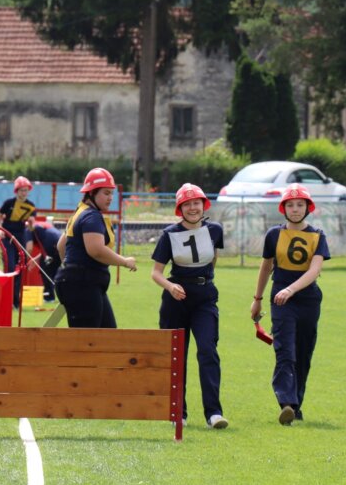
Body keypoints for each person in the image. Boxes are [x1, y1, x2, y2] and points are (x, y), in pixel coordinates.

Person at [250, 184, 330, 426]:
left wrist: (292, 289)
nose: (295, 209)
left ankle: (296, 404)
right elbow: (266, 267)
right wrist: (257, 299)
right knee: (285, 350)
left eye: (300, 205)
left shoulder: (318, 236)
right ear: (283, 208)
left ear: (308, 208)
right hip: (280, 299)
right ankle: (286, 403)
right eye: (290, 205)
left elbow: (315, 270)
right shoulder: (274, 234)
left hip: (307, 300)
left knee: (303, 353)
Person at [151, 184, 227, 429]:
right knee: (176, 355)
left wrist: (203, 282)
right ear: (180, 208)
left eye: (196, 203)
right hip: (176, 298)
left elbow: (212, 259)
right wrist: (171, 287)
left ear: (204, 205)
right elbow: (156, 273)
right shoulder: (169, 234)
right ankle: (178, 412)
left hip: (205, 298)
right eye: (187, 203)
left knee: (208, 350)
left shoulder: (215, 230)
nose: (193, 208)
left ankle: (214, 413)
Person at [55, 168, 136, 328]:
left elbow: (61, 246)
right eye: (106, 193)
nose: (110, 198)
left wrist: (69, 270)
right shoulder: (91, 216)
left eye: (111, 193)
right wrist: (125, 261)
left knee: (108, 336)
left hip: (81, 283)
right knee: (89, 343)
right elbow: (96, 250)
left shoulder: (80, 213)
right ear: (91, 193)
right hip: (83, 284)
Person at [0, 176, 36, 308]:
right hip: (7, 236)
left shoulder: (31, 206)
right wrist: (0, 229)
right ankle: (5, 298)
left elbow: (31, 228)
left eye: (26, 190)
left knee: (21, 267)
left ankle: (16, 301)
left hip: (20, 237)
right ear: (16, 191)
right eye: (21, 190)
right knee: (10, 266)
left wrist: (31, 224)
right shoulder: (9, 203)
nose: (23, 193)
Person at [26, 216, 62, 302]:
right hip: (60, 243)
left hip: (51, 245)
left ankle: (49, 297)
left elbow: (29, 248)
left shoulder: (28, 230)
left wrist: (24, 261)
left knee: (45, 270)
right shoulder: (43, 225)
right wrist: (36, 259)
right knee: (54, 271)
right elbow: (45, 251)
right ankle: (60, 293)